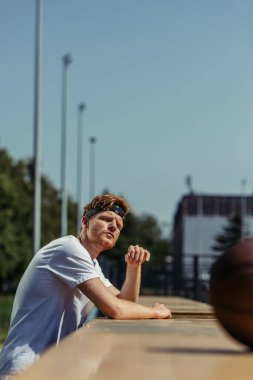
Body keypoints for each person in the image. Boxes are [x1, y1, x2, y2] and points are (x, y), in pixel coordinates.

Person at [0, 193, 171, 378]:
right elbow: (116, 310)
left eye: (119, 225)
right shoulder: (67, 249)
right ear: (85, 222)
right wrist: (155, 312)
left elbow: (125, 303)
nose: (113, 226)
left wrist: (134, 267)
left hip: (51, 366)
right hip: (26, 368)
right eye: (106, 219)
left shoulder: (91, 264)